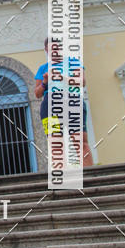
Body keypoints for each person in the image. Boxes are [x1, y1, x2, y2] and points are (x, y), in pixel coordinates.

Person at [34, 36, 93, 167]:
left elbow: (81, 82)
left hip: (72, 102)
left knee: (80, 141)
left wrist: (62, 77)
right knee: (55, 144)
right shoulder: (43, 68)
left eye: (57, 48)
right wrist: (45, 82)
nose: (55, 51)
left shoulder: (73, 62)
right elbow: (37, 94)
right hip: (50, 106)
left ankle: (90, 175)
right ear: (46, 50)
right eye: (51, 49)